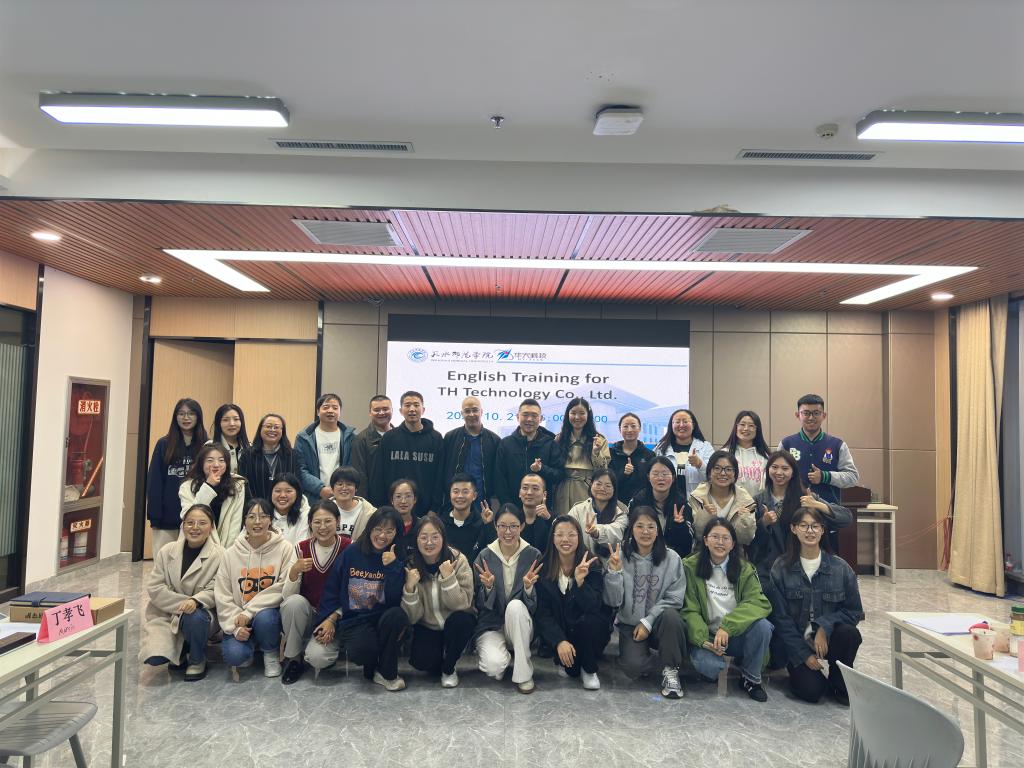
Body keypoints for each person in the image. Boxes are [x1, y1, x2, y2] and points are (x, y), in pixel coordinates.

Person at [767, 505, 865, 705]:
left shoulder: (840, 568)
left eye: (815, 526)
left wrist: (823, 626)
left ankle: (839, 678)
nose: (809, 531)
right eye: (803, 526)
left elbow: (854, 611)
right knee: (812, 692)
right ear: (794, 529)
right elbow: (781, 619)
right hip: (796, 642)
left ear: (822, 530)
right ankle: (809, 676)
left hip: (829, 637)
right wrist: (803, 655)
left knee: (850, 633)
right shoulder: (781, 568)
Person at [305, 507, 410, 690]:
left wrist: (393, 566)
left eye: (389, 531)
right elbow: (333, 587)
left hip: (383, 617)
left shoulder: (398, 556)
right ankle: (372, 668)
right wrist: (329, 618)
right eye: (378, 529)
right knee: (362, 651)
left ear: (396, 533)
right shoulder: (352, 552)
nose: (382, 536)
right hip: (355, 619)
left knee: (397, 616)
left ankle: (387, 674)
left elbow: (395, 598)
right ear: (369, 529)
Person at [682, 517, 773, 702]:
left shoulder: (745, 569)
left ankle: (751, 679)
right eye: (715, 537)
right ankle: (713, 665)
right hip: (708, 637)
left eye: (726, 538)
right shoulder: (689, 567)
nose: (720, 542)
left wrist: (727, 627)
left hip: (735, 634)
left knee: (763, 626)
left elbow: (758, 602)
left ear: (732, 544)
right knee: (709, 668)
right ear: (705, 540)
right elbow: (689, 609)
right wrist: (702, 640)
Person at [603, 507, 688, 699]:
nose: (645, 531)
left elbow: (675, 598)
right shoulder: (620, 556)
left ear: (658, 530)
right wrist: (614, 573)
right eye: (639, 526)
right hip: (630, 624)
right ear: (631, 530)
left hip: (660, 621)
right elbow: (612, 601)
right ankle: (662, 658)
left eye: (651, 526)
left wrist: (648, 622)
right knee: (633, 668)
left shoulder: (672, 558)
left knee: (672, 617)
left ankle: (671, 668)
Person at [214, 498, 297, 679]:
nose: (257, 522)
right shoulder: (230, 553)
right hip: (238, 618)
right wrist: (235, 627)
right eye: (251, 517)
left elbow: (282, 587)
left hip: (267, 615)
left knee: (266, 618)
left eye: (263, 516)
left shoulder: (285, 548)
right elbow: (222, 594)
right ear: (244, 521)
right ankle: (250, 646)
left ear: (271, 520)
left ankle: (270, 653)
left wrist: (249, 612)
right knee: (235, 656)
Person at [140, 503, 223, 682]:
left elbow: (216, 589)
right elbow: (155, 587)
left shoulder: (220, 555)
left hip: (202, 614)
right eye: (190, 522)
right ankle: (182, 649)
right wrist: (186, 602)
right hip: (166, 614)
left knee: (195, 617)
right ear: (183, 525)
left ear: (211, 527)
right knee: (155, 658)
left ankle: (197, 659)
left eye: (202, 523)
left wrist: (196, 602)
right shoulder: (167, 551)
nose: (195, 528)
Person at [473, 503, 543, 694]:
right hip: (492, 624)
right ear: (495, 527)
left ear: (522, 526)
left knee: (515, 606)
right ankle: (505, 658)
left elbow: (536, 607)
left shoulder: (533, 555)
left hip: (520, 625)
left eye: (513, 526)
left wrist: (528, 588)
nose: (508, 531)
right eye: (502, 526)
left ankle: (524, 673)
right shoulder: (485, 556)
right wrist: (488, 588)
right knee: (493, 667)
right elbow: (479, 604)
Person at [750, 450, 852, 580]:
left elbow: (846, 518)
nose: (779, 472)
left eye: (785, 468)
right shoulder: (758, 500)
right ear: (768, 470)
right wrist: (763, 523)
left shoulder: (806, 497)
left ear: (793, 472)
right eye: (774, 467)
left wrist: (817, 505)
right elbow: (749, 540)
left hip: (800, 568)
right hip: (767, 570)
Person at [400, 513, 476, 688]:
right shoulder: (410, 565)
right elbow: (412, 618)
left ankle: (449, 668)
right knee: (422, 662)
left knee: (463, 621)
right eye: (423, 537)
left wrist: (448, 578)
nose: (429, 542)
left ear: (443, 538)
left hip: (455, 621)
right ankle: (442, 655)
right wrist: (410, 588)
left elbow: (462, 604)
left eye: (435, 537)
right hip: (428, 625)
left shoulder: (458, 560)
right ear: (416, 540)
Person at [535, 515, 608, 690]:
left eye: (571, 534)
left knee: (589, 620)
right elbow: (543, 614)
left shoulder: (591, 563)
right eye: (560, 534)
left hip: (589, 632)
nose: (565, 539)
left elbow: (595, 606)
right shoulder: (543, 567)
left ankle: (589, 669)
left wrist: (580, 583)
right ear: (552, 538)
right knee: (571, 671)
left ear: (579, 537)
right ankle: (570, 661)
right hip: (562, 632)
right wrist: (559, 640)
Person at [778, 394, 860, 550]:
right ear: (797, 415)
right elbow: (775, 474)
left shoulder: (837, 445)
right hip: (794, 516)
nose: (811, 417)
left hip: (827, 517)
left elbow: (853, 477)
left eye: (816, 413)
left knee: (827, 559)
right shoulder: (786, 444)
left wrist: (825, 476)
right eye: (806, 413)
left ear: (824, 415)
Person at [279, 501, 345, 685]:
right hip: (309, 613)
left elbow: (353, 591)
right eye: (317, 522)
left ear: (338, 521)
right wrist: (294, 571)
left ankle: (326, 645)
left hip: (336, 617)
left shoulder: (349, 548)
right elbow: (287, 597)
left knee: (318, 658)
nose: (322, 527)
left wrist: (333, 618)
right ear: (309, 524)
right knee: (294, 603)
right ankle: (293, 659)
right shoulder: (301, 548)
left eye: (328, 521)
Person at [147, 398, 207, 554]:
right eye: (181, 414)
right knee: (164, 560)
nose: (186, 418)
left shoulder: (206, 445)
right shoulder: (164, 444)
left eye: (191, 413)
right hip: (167, 518)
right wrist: (155, 516)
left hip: (198, 518)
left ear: (198, 417)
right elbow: (155, 482)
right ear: (175, 417)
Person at [371, 391, 444, 517]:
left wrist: (434, 508)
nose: (412, 409)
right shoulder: (389, 438)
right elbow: (379, 474)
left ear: (423, 410)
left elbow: (440, 476)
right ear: (400, 410)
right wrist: (382, 507)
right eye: (407, 405)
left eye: (416, 405)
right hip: (392, 510)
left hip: (426, 511)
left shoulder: (436, 439)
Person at [494, 399, 564, 505]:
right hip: (512, 508)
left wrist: (542, 469)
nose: (529, 419)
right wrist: (508, 507)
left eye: (534, 416)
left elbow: (559, 475)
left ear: (541, 419)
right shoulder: (505, 444)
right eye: (525, 415)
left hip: (542, 508)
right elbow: (499, 480)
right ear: (518, 417)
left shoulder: (550, 444)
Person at [685, 450, 757, 550]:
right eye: (717, 468)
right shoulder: (697, 497)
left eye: (728, 469)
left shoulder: (745, 501)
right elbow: (698, 535)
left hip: (735, 554)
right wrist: (705, 515)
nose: (723, 473)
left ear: (735, 474)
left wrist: (745, 520)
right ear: (709, 473)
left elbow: (746, 539)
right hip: (703, 552)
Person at [178, 443, 246, 547]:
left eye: (221, 460)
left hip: (226, 547)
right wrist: (208, 486)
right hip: (194, 543)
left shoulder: (237, 485)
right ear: (201, 463)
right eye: (210, 460)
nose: (216, 465)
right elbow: (188, 517)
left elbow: (235, 523)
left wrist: (226, 552)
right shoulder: (187, 487)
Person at [294, 393, 356, 505]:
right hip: (313, 496)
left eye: (335, 408)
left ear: (340, 412)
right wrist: (320, 489)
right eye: (326, 407)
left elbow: (353, 467)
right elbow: (300, 469)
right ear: (318, 412)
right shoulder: (304, 437)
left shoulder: (350, 437)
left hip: (343, 495)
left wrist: (341, 487)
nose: (330, 411)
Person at [441, 396, 500, 511]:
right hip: (454, 502)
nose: (471, 414)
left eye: (475, 410)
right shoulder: (450, 438)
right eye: (467, 411)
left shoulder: (494, 440)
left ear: (481, 412)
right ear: (462, 413)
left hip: (482, 503)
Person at [628, 455, 694, 557]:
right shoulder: (637, 502)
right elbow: (629, 533)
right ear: (648, 477)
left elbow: (687, 546)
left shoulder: (682, 504)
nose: (660, 478)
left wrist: (680, 526)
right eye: (655, 474)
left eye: (665, 474)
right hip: (642, 555)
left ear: (673, 478)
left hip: (672, 558)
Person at [554, 397, 610, 516]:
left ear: (588, 415)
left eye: (582, 413)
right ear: (567, 415)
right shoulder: (559, 439)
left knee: (585, 523)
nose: (577, 417)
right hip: (562, 489)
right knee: (562, 522)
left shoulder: (599, 439)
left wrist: (596, 452)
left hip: (587, 489)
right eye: (573, 413)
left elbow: (603, 472)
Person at [566, 468, 628, 563]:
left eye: (608, 486)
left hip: (613, 564)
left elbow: (616, 534)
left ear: (614, 489)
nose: (602, 488)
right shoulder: (577, 510)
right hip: (582, 563)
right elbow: (567, 531)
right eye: (598, 484)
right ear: (591, 484)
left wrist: (597, 532)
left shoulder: (621, 512)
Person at [654, 408, 714, 496]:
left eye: (685, 422)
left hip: (697, 501)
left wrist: (699, 464)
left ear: (693, 425)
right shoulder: (660, 448)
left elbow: (713, 477)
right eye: (677, 422)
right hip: (667, 500)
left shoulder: (705, 447)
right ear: (671, 425)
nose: (681, 425)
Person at [239, 413, 296, 503]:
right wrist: (254, 505)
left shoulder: (292, 455)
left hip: (285, 506)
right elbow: (243, 484)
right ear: (260, 429)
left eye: (276, 427)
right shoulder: (247, 455)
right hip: (255, 507)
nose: (272, 430)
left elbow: (296, 485)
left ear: (283, 431)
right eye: (268, 426)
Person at [720, 410, 770, 499]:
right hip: (731, 504)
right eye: (742, 424)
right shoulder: (724, 454)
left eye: (751, 426)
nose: (746, 428)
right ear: (736, 427)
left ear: (757, 429)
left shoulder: (766, 457)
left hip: (759, 505)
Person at [350, 394, 393, 498]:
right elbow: (360, 475)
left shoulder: (400, 437)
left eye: (385, 409)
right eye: (377, 410)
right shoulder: (361, 439)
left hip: (399, 500)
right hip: (372, 501)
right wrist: (363, 503)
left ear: (392, 410)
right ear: (370, 412)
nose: (381, 413)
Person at [442, 472, 490, 561]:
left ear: (474, 496)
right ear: (450, 494)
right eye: (456, 492)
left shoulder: (481, 524)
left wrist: (488, 525)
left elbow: (492, 553)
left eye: (465, 492)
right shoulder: (439, 523)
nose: (460, 496)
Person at [609, 412, 654, 505]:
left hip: (642, 505)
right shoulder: (611, 453)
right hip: (616, 505)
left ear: (639, 428)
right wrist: (624, 473)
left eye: (633, 426)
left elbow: (651, 482)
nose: (629, 430)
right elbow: (608, 482)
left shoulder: (649, 455)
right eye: (625, 426)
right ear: (620, 429)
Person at [329, 466, 376, 547]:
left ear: (356, 488)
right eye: (340, 484)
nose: (344, 488)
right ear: (332, 488)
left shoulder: (370, 512)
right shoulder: (322, 509)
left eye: (349, 484)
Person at [268, 472, 311, 546]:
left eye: (288, 491)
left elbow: (301, 547)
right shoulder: (263, 514)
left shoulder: (306, 515)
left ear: (297, 493)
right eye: (278, 491)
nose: (282, 495)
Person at [209, 403, 250, 474]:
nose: (231, 424)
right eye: (225, 420)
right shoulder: (209, 446)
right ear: (219, 423)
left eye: (236, 419)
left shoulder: (250, 447)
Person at [389, 478, 421, 557]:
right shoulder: (385, 524)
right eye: (398, 496)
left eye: (408, 496)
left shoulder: (422, 525)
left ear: (415, 499)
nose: (403, 501)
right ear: (392, 500)